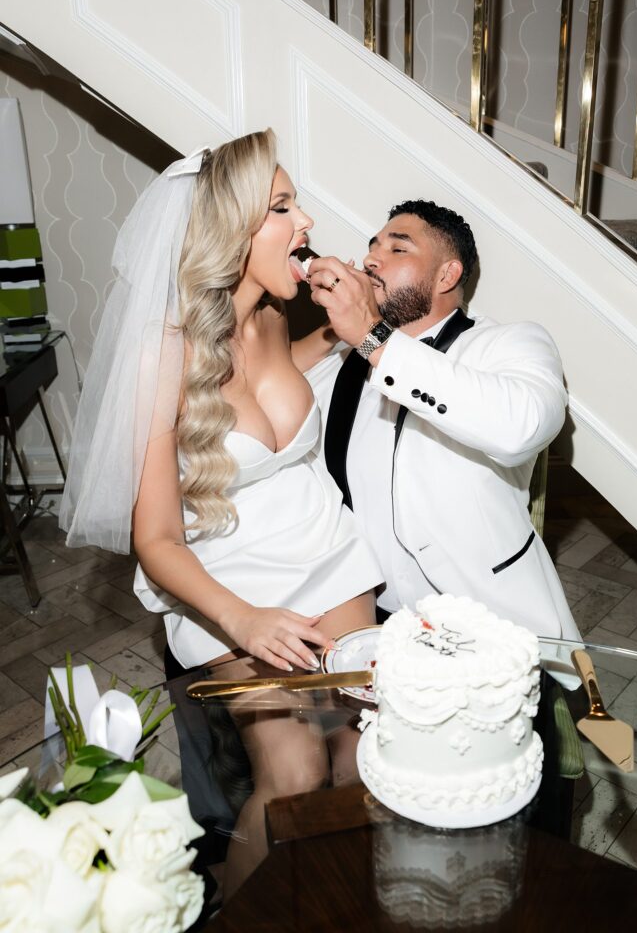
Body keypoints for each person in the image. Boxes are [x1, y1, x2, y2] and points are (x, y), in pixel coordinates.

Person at [59, 129, 383, 890]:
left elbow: (278, 386)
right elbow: (157, 539)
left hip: (321, 544)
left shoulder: (274, 312)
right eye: (281, 207)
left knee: (359, 750)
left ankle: (333, 899)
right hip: (222, 577)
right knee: (296, 770)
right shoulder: (161, 355)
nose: (305, 222)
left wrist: (343, 339)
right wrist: (244, 621)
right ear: (230, 233)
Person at [303, 199, 581, 652]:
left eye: (398, 249)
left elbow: (522, 427)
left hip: (483, 628)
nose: (372, 258)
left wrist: (374, 339)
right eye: (372, 246)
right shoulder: (339, 362)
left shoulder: (508, 343)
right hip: (357, 626)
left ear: (447, 276)